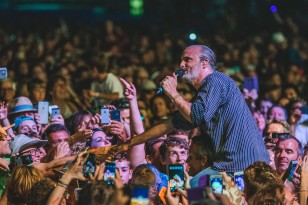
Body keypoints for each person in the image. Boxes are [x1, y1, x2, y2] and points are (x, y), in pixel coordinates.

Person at [115, 45, 269, 173]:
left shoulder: (216, 80)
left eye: (187, 60)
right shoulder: (202, 96)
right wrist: (129, 143)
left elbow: (198, 116)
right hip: (234, 165)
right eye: (181, 60)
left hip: (243, 165)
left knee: (195, 188)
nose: (181, 65)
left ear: (204, 63)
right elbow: (169, 124)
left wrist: (173, 94)